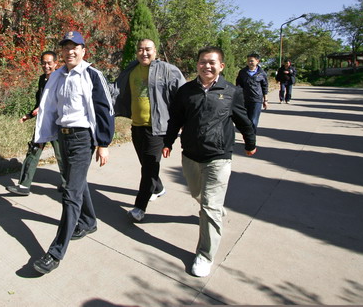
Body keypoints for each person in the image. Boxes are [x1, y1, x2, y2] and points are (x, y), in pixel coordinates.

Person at [162, 46, 256, 278]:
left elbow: (243, 120)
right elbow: (175, 119)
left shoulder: (231, 91)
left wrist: (250, 142)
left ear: (221, 66)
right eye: (203, 62)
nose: (207, 66)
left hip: (218, 156)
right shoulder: (186, 91)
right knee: (198, 194)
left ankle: (205, 255)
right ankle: (213, 207)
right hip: (190, 155)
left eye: (212, 62)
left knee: (210, 207)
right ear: (197, 65)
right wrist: (168, 142)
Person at [32, 30, 115, 275]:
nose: (70, 51)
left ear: (83, 50)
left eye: (74, 47)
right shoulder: (57, 76)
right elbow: (49, 107)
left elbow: (105, 110)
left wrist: (103, 143)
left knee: (70, 193)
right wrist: (43, 136)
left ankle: (55, 253)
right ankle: (88, 221)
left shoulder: (92, 75)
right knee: (75, 183)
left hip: (82, 139)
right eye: (66, 47)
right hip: (63, 136)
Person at [112, 39, 185, 222]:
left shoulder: (168, 70)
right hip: (137, 126)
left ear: (155, 51)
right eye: (140, 49)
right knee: (147, 164)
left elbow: (184, 95)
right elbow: (116, 89)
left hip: (159, 128)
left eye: (148, 49)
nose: (144, 53)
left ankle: (139, 208)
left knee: (149, 168)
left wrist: (184, 120)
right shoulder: (131, 69)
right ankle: (158, 188)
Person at [7, 51, 65, 196]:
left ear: (56, 63)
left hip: (57, 124)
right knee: (33, 151)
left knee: (61, 155)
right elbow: (39, 103)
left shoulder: (61, 79)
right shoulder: (42, 79)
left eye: (49, 63)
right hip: (43, 123)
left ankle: (68, 184)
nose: (46, 66)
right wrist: (29, 115)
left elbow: (63, 101)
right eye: (43, 63)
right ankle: (24, 186)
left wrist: (45, 108)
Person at [235, 53, 269, 132]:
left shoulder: (262, 73)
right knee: (245, 120)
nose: (249, 62)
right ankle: (247, 135)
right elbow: (238, 85)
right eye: (248, 61)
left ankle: (252, 136)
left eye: (251, 61)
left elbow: (265, 87)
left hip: (256, 100)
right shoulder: (242, 72)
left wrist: (265, 100)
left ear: (257, 61)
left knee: (253, 120)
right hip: (245, 99)